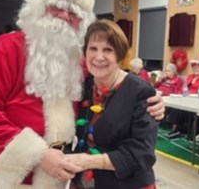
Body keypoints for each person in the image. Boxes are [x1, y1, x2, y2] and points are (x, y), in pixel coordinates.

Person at [0, 0, 165, 189]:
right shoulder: (5, 48)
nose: (64, 16)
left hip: (58, 175)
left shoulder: (80, 61)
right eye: (57, 7)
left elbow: (110, 91)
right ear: (39, 9)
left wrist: (153, 100)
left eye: (73, 12)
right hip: (7, 175)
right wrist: (38, 155)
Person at [65, 19, 158, 189]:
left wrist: (90, 161)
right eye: (93, 48)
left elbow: (142, 153)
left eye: (108, 50)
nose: (99, 57)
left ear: (119, 55)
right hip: (84, 181)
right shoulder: (84, 85)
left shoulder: (140, 92)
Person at [167, 60, 199, 138]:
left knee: (183, 109)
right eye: (194, 68)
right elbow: (182, 87)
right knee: (176, 106)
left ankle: (179, 129)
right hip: (184, 98)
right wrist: (179, 94)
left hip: (196, 100)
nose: (196, 69)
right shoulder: (190, 76)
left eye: (198, 68)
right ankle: (175, 127)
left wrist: (189, 94)